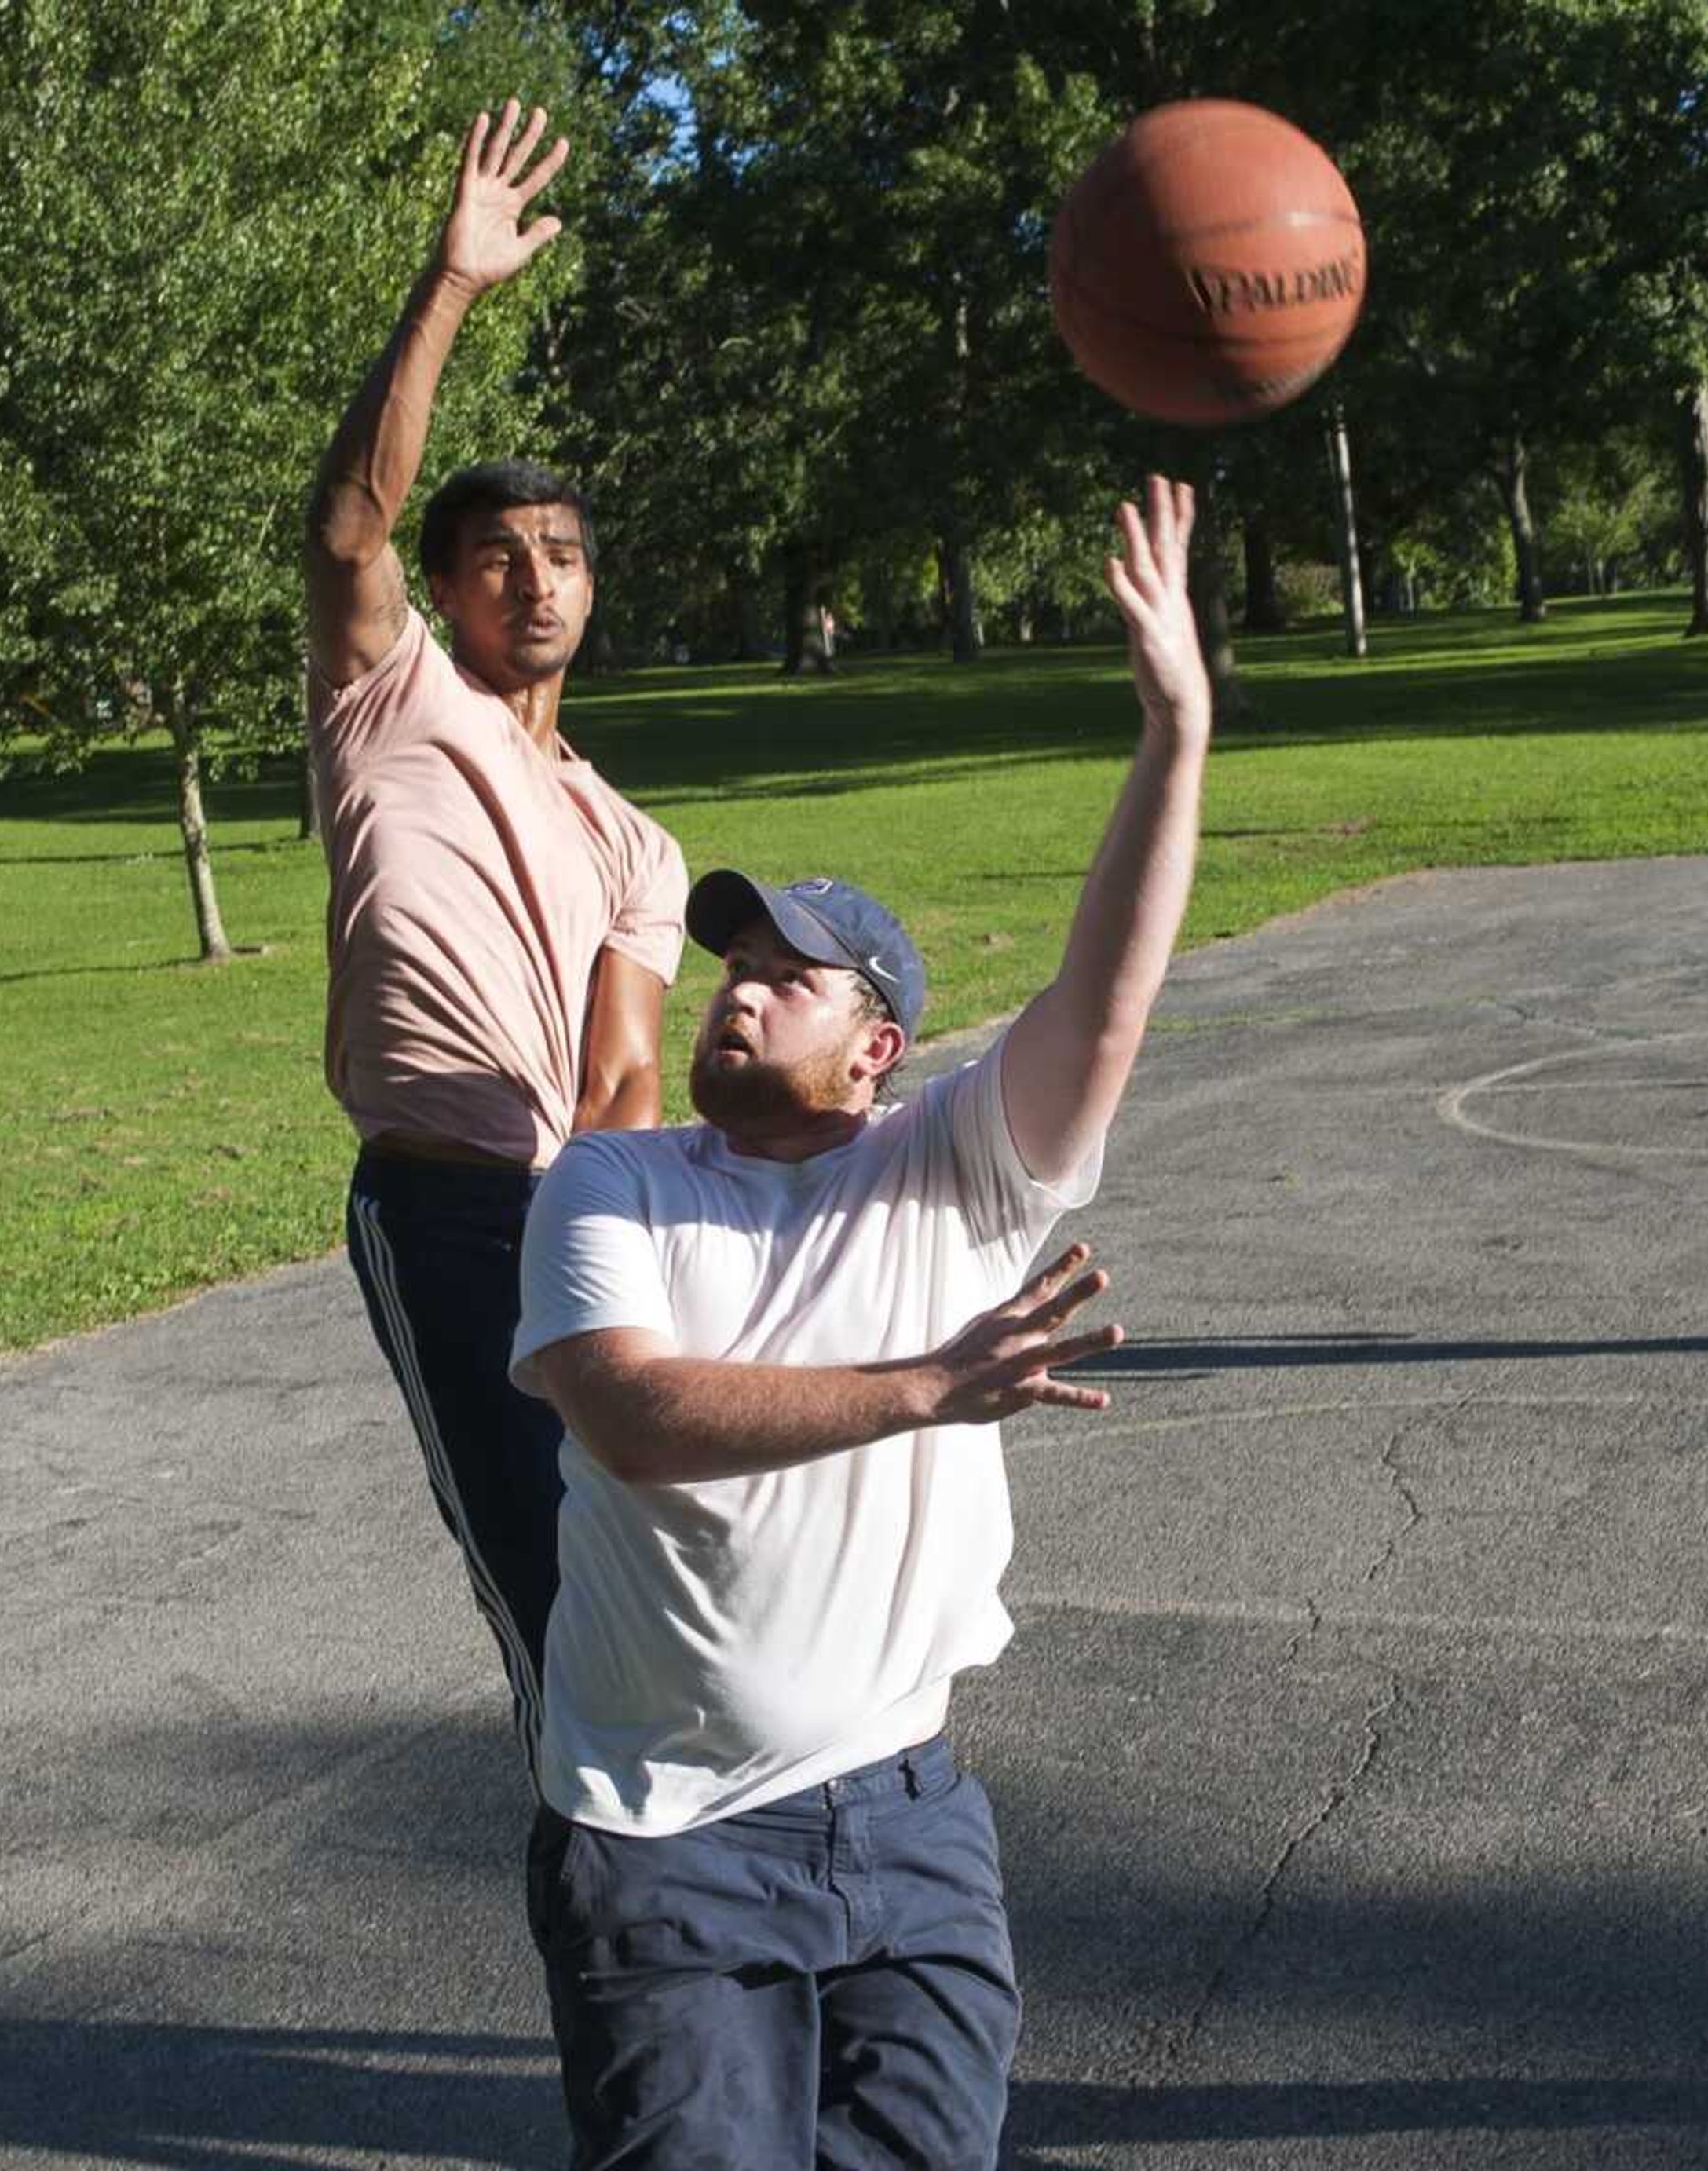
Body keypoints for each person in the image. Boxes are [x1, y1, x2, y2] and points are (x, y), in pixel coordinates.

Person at [506, 477, 1212, 2167]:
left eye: (790, 972)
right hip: (664, 1832)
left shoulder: (955, 1168)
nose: (737, 983)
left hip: (909, 1809)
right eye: (730, 956)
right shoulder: (608, 1182)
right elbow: (633, 1413)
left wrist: (1176, 735)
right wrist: (925, 1385)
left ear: (880, 1041)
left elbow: (1105, 998)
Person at [304, 102, 684, 1753]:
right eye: (498, 557)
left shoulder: (639, 840)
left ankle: (684, 1922)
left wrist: (641, 1261)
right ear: (447, 593)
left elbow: (626, 1070)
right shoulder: (391, 699)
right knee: (545, 1594)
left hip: (584, 1218)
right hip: (446, 1211)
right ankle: (608, 1962)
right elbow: (345, 529)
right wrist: (449, 285)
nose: (536, 578)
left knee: (653, 1570)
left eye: (562, 554)